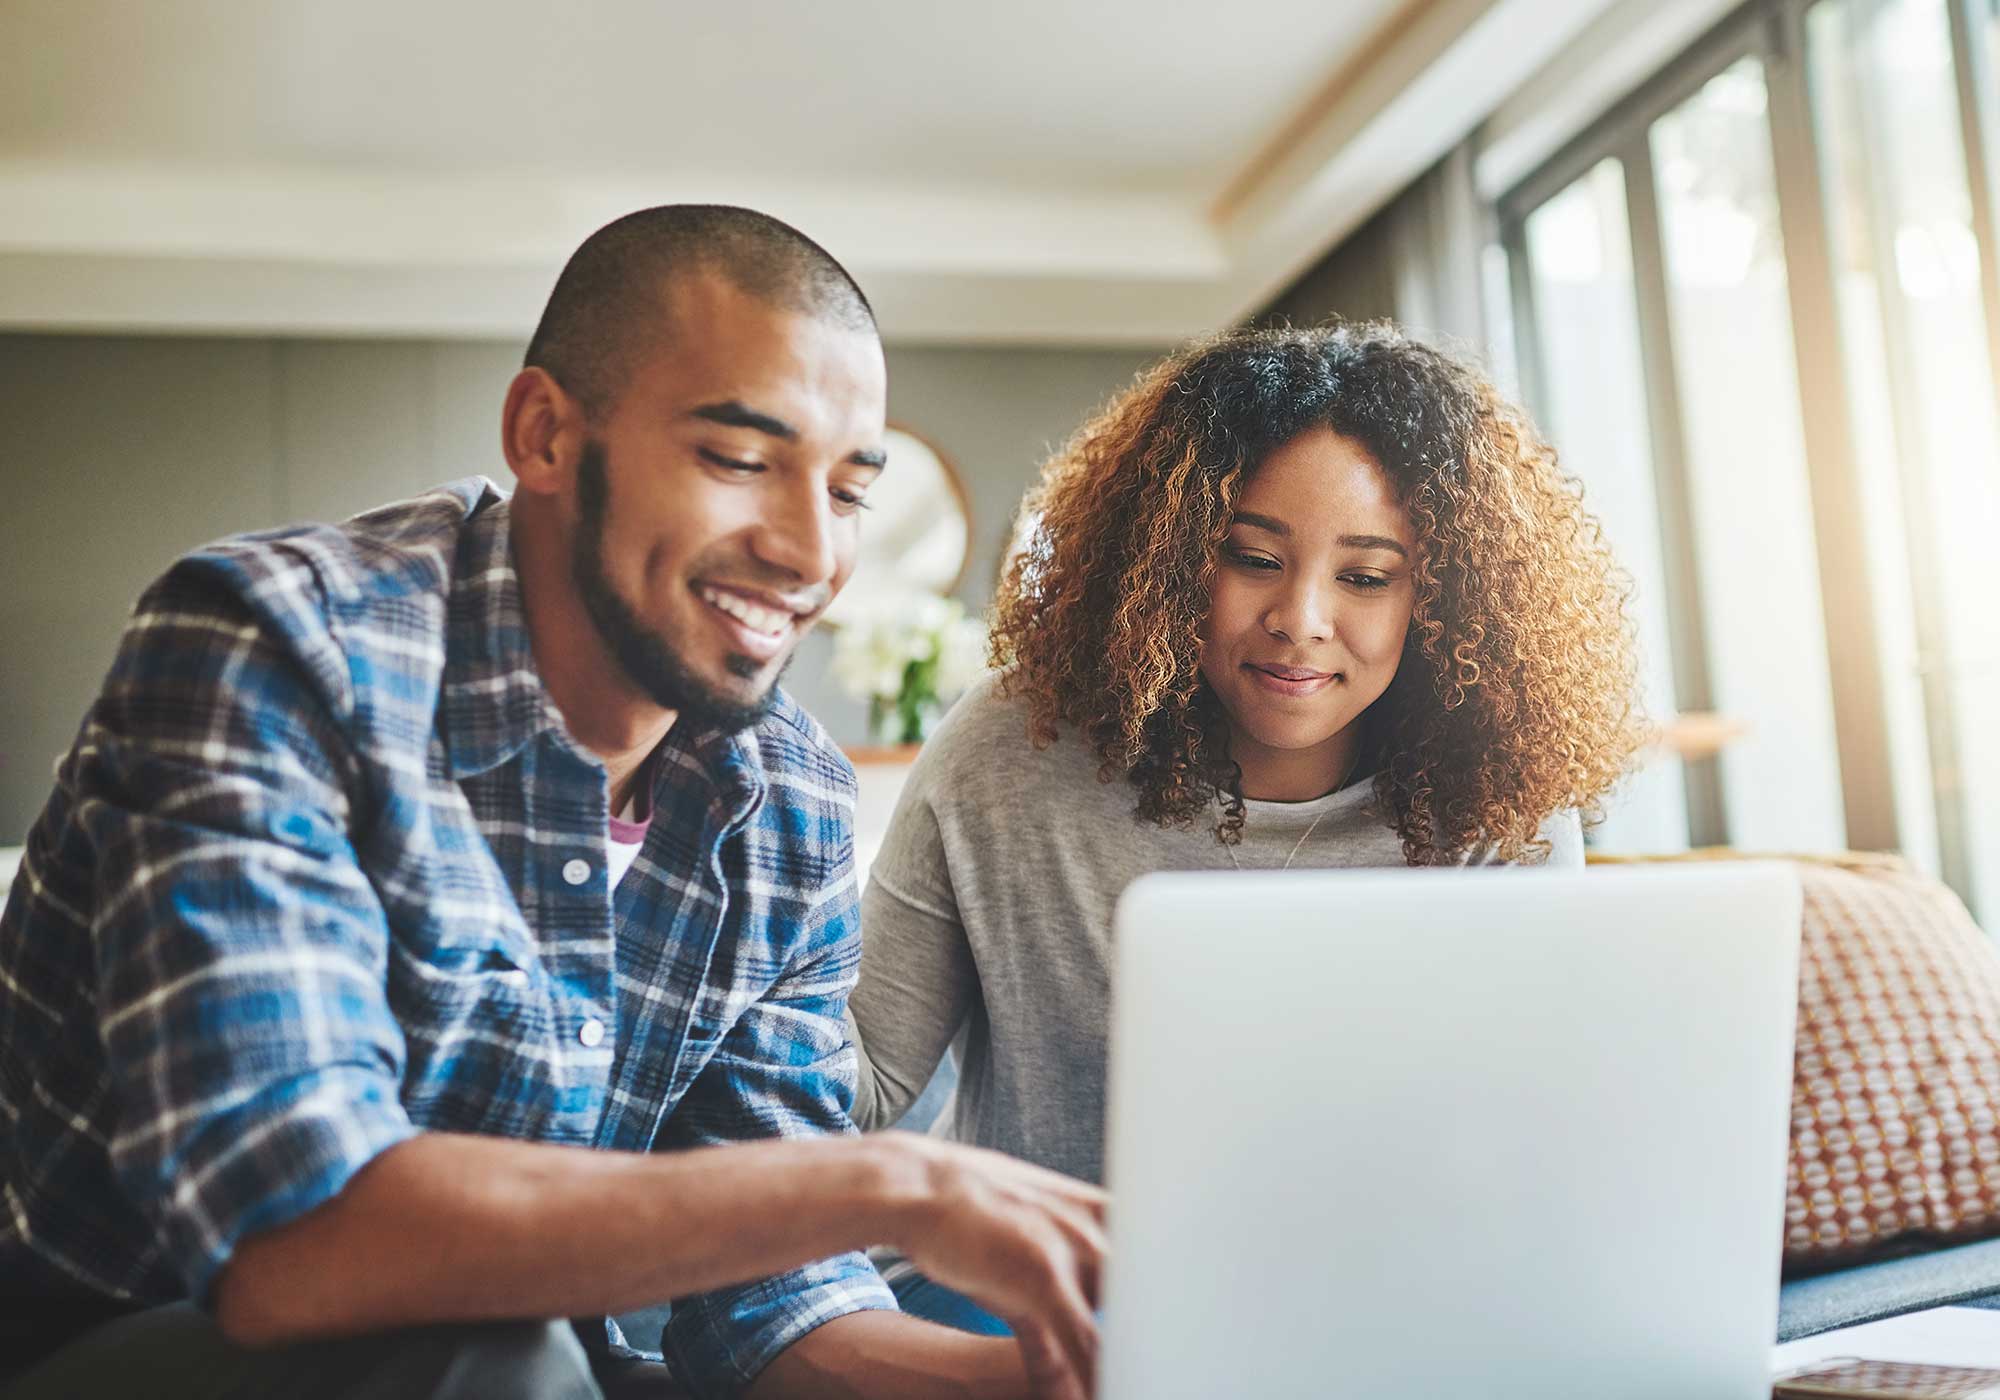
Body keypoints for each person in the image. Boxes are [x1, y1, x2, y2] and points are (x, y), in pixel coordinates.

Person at [0, 206, 1105, 1400]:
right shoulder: (276, 648)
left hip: (522, 1363)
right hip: (111, 1339)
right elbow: (291, 1239)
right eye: (739, 459)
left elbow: (772, 1302)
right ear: (543, 434)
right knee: (508, 1353)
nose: (807, 551)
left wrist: (1063, 1379)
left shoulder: (790, 798)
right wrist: (896, 1182)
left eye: (846, 490)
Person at [846, 323, 1647, 1334]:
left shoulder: (1496, 800)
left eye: (1365, 576)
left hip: (1372, 1301)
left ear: (1438, 598)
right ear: (1173, 555)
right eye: (1252, 557)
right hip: (1039, 1302)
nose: (1300, 617)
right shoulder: (1013, 750)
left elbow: (1528, 1126)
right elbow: (859, 1081)